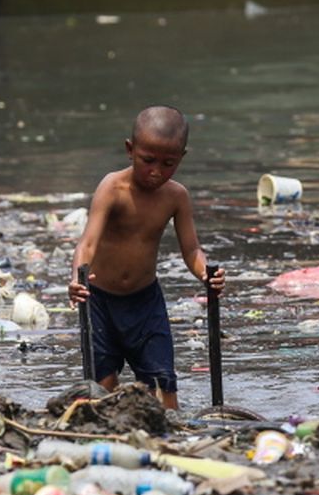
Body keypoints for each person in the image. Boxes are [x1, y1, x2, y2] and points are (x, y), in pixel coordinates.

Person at [68, 105, 225, 410]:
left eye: (168, 163)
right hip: (100, 301)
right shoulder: (113, 188)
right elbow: (87, 243)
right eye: (148, 160)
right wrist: (77, 278)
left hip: (145, 304)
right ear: (130, 150)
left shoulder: (176, 196)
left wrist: (206, 273)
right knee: (102, 391)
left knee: (163, 388)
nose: (156, 171)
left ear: (182, 158)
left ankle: (169, 444)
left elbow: (191, 250)